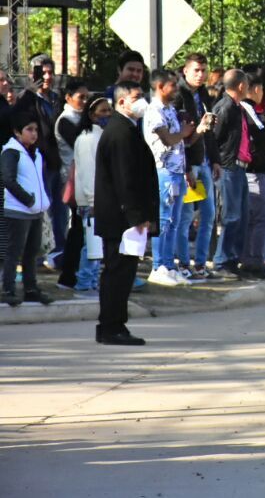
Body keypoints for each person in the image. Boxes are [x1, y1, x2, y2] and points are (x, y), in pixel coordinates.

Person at [95, 81, 156, 345]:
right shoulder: (120, 132)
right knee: (118, 273)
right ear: (122, 102)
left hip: (123, 217)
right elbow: (125, 180)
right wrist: (136, 217)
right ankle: (112, 327)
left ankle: (113, 325)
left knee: (122, 272)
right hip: (121, 219)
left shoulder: (128, 129)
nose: (142, 101)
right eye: (137, 97)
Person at [142, 69, 199, 286]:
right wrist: (183, 132)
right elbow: (168, 139)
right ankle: (158, 266)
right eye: (172, 85)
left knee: (174, 222)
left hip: (177, 172)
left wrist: (195, 131)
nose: (176, 89)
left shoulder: (170, 110)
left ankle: (169, 265)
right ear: (160, 86)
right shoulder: (155, 111)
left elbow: (181, 141)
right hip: (163, 171)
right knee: (163, 221)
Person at [16, 54, 65, 268]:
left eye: (50, 72)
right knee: (39, 210)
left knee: (59, 211)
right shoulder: (27, 99)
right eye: (41, 72)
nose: (46, 77)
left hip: (56, 161)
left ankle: (58, 253)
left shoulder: (56, 98)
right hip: (38, 162)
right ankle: (35, 255)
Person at [2, 113, 55, 307]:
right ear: (17, 132)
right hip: (18, 211)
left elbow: (38, 180)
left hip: (35, 211)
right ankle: (8, 289)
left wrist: (42, 201)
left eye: (36, 130)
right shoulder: (11, 152)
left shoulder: (36, 153)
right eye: (29, 130)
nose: (34, 134)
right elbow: (8, 180)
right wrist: (28, 199)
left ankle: (31, 289)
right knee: (13, 252)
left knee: (32, 252)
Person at [177, 53, 220, 279]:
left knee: (209, 214)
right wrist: (185, 169)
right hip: (189, 164)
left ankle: (201, 264)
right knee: (185, 217)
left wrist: (215, 160)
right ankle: (183, 264)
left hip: (204, 162)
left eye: (204, 70)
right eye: (196, 70)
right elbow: (179, 138)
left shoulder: (203, 94)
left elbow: (208, 131)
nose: (201, 75)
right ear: (186, 71)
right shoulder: (179, 95)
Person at [237, 68, 265, 281]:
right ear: (255, 89)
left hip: (260, 170)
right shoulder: (244, 109)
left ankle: (253, 259)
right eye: (261, 89)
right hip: (253, 171)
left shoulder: (253, 110)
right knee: (263, 218)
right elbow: (255, 139)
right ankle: (253, 261)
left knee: (257, 218)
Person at [211, 69, 252, 275]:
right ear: (241, 86)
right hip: (228, 167)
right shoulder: (225, 107)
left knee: (242, 217)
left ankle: (234, 260)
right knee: (231, 216)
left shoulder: (238, 107)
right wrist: (217, 162)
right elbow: (213, 138)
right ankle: (222, 261)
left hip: (240, 167)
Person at [71, 97, 113, 292]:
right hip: (92, 200)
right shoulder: (87, 139)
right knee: (91, 244)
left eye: (109, 110)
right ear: (91, 114)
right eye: (103, 111)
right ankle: (84, 283)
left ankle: (93, 282)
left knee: (97, 245)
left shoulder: (101, 135)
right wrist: (93, 200)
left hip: (102, 199)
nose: (107, 114)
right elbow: (88, 172)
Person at [54, 80, 90, 289]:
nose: (84, 102)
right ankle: (69, 274)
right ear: (68, 98)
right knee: (78, 230)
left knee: (82, 230)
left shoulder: (80, 118)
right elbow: (81, 145)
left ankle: (74, 272)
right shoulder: (66, 120)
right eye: (80, 97)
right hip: (74, 179)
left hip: (84, 178)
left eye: (87, 98)